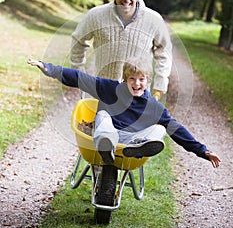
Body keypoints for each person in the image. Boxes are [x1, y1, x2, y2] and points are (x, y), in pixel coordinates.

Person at [27, 57, 221, 168]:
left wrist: (202, 151)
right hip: (107, 133)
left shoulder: (153, 106)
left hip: (131, 140)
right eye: (132, 79)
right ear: (125, 80)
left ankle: (139, 146)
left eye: (141, 80)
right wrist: (48, 68)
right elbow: (79, 78)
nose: (137, 84)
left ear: (148, 81)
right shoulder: (110, 88)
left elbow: (177, 130)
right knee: (102, 115)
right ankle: (106, 147)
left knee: (160, 128)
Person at [70, 0, 172, 98]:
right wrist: (78, 71)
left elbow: (164, 51)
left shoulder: (154, 19)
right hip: (104, 90)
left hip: (138, 92)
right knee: (100, 118)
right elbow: (78, 40)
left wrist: (161, 81)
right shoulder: (96, 16)